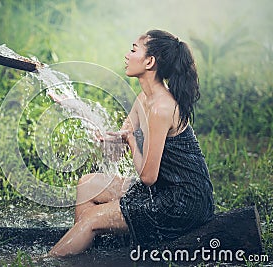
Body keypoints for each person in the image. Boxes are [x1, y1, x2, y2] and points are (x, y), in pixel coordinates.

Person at [49, 29, 215, 257]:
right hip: (162, 189)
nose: (127, 55)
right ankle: (90, 249)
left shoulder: (161, 108)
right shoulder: (144, 98)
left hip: (183, 202)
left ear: (149, 61)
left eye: (133, 50)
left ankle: (46, 261)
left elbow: (147, 177)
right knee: (88, 185)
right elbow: (118, 145)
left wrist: (131, 141)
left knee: (91, 219)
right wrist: (75, 108)